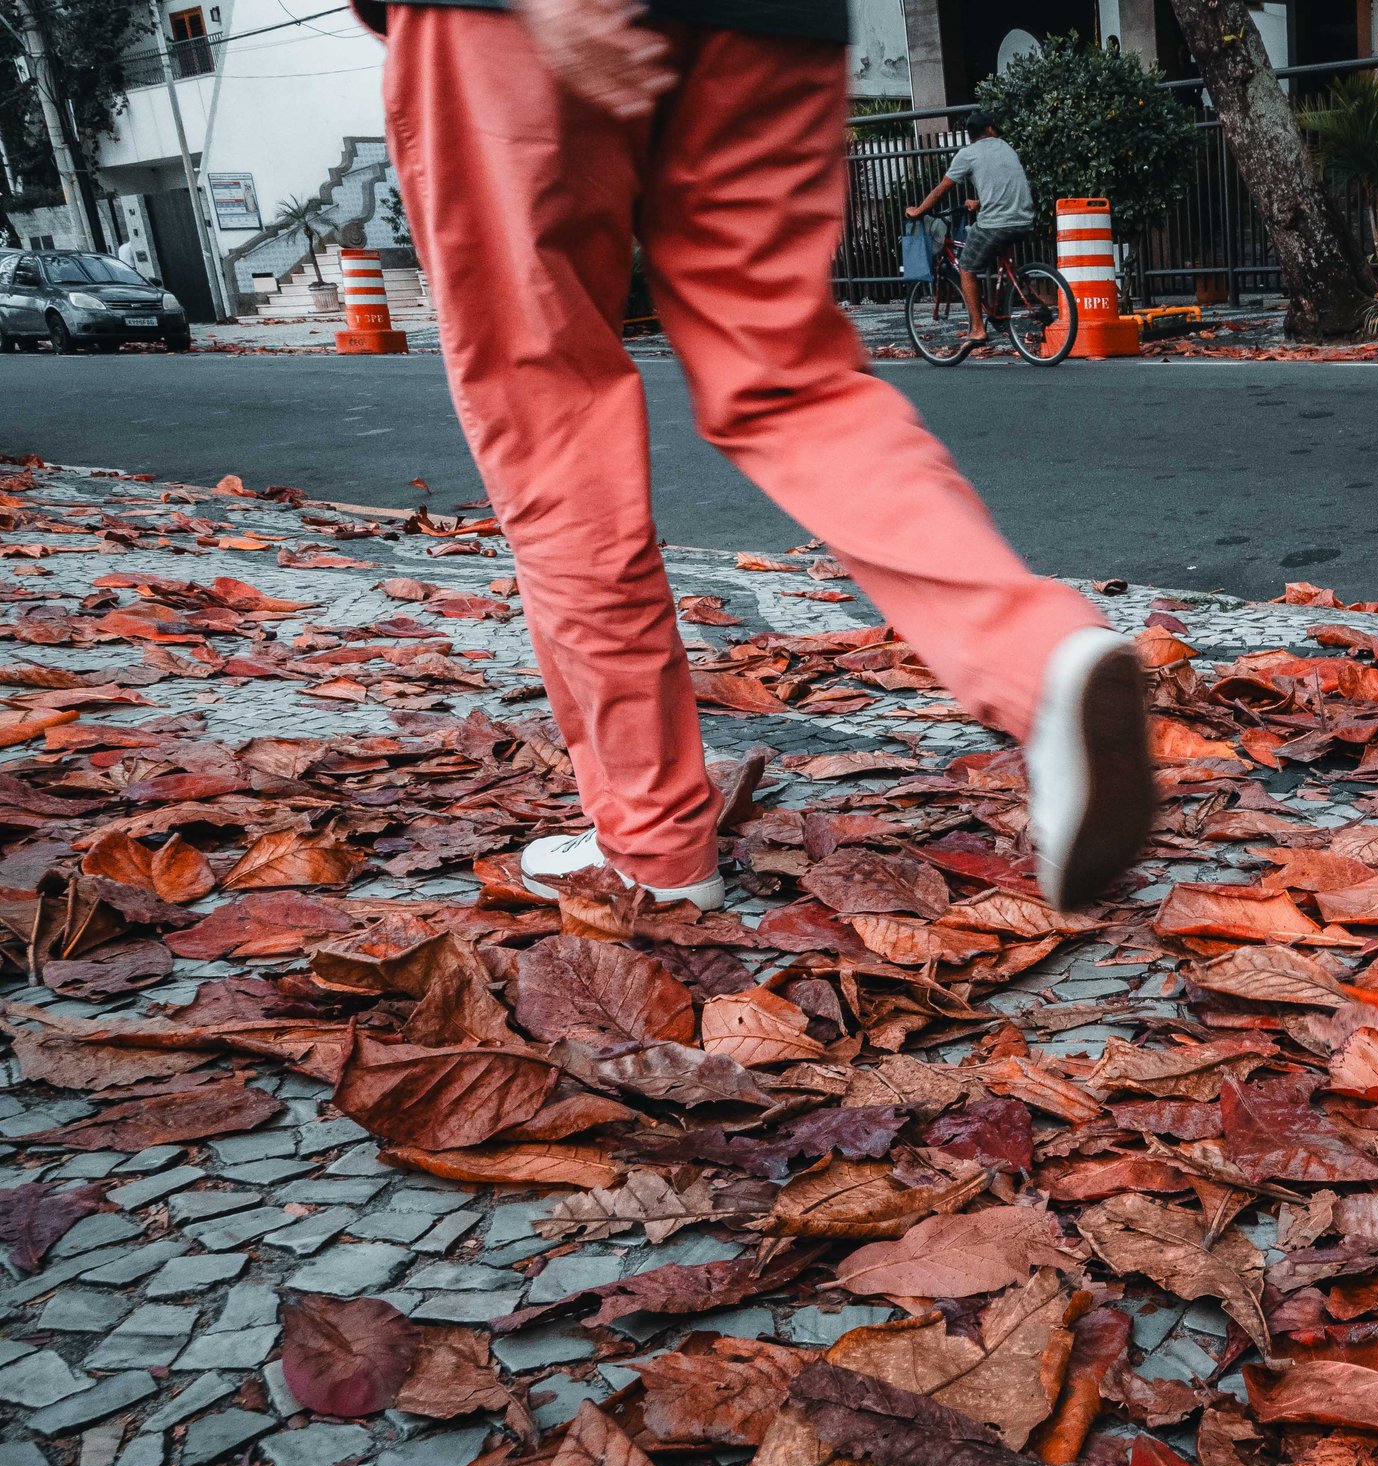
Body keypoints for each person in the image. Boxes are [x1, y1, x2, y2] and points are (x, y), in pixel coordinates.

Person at [358, 0, 1156, 913]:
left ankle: (654, 846)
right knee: (794, 384)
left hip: (503, 25)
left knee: (551, 423)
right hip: (777, 24)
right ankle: (1041, 663)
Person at [903, 109, 1034, 346]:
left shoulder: (968, 154)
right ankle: (1003, 309)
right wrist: (979, 203)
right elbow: (1005, 186)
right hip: (1024, 220)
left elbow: (943, 188)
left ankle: (977, 330)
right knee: (1001, 260)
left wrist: (919, 210)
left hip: (996, 224)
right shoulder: (1006, 147)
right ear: (990, 129)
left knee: (966, 267)